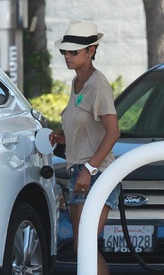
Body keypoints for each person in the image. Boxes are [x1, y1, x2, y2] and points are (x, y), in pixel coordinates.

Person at [50, 20, 120, 275]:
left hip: (96, 172)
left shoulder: (97, 84)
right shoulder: (76, 83)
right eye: (64, 52)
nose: (67, 57)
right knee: (83, 247)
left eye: (74, 52)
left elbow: (113, 132)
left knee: (86, 244)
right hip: (80, 171)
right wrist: (62, 136)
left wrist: (89, 169)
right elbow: (87, 131)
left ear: (91, 51)